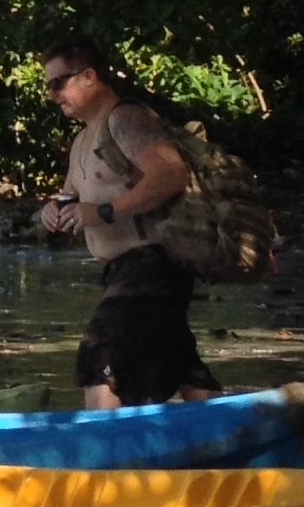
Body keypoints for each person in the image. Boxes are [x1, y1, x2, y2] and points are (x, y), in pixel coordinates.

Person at [35, 38, 218, 409]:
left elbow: (170, 174)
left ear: (88, 77)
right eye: (48, 85)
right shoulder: (82, 139)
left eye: (58, 83)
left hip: (154, 263)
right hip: (123, 270)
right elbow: (72, 197)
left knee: (100, 356)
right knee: (178, 361)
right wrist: (51, 211)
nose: (52, 94)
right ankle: (241, 432)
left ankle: (104, 456)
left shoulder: (126, 119)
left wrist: (103, 212)